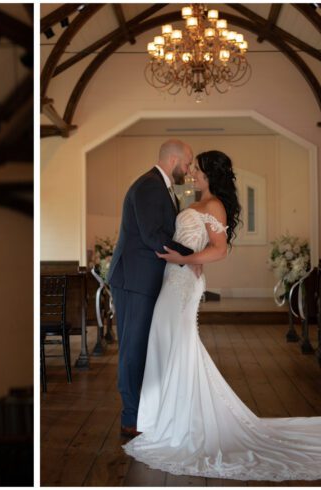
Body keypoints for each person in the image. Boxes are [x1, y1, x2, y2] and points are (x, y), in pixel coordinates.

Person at [124, 150, 321, 480]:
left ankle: (179, 421)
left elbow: (220, 250)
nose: (191, 172)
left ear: (210, 175)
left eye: (196, 169)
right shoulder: (195, 201)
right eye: (191, 167)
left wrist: (188, 261)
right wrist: (177, 259)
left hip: (183, 283)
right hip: (172, 279)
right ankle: (163, 416)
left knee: (178, 342)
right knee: (165, 342)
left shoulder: (214, 206)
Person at [108, 139, 195, 438]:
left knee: (143, 347)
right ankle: (130, 419)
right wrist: (189, 256)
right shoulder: (149, 186)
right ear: (173, 160)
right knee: (132, 349)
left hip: (145, 279)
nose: (189, 168)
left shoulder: (160, 187)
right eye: (187, 163)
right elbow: (152, 235)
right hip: (134, 280)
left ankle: (143, 411)